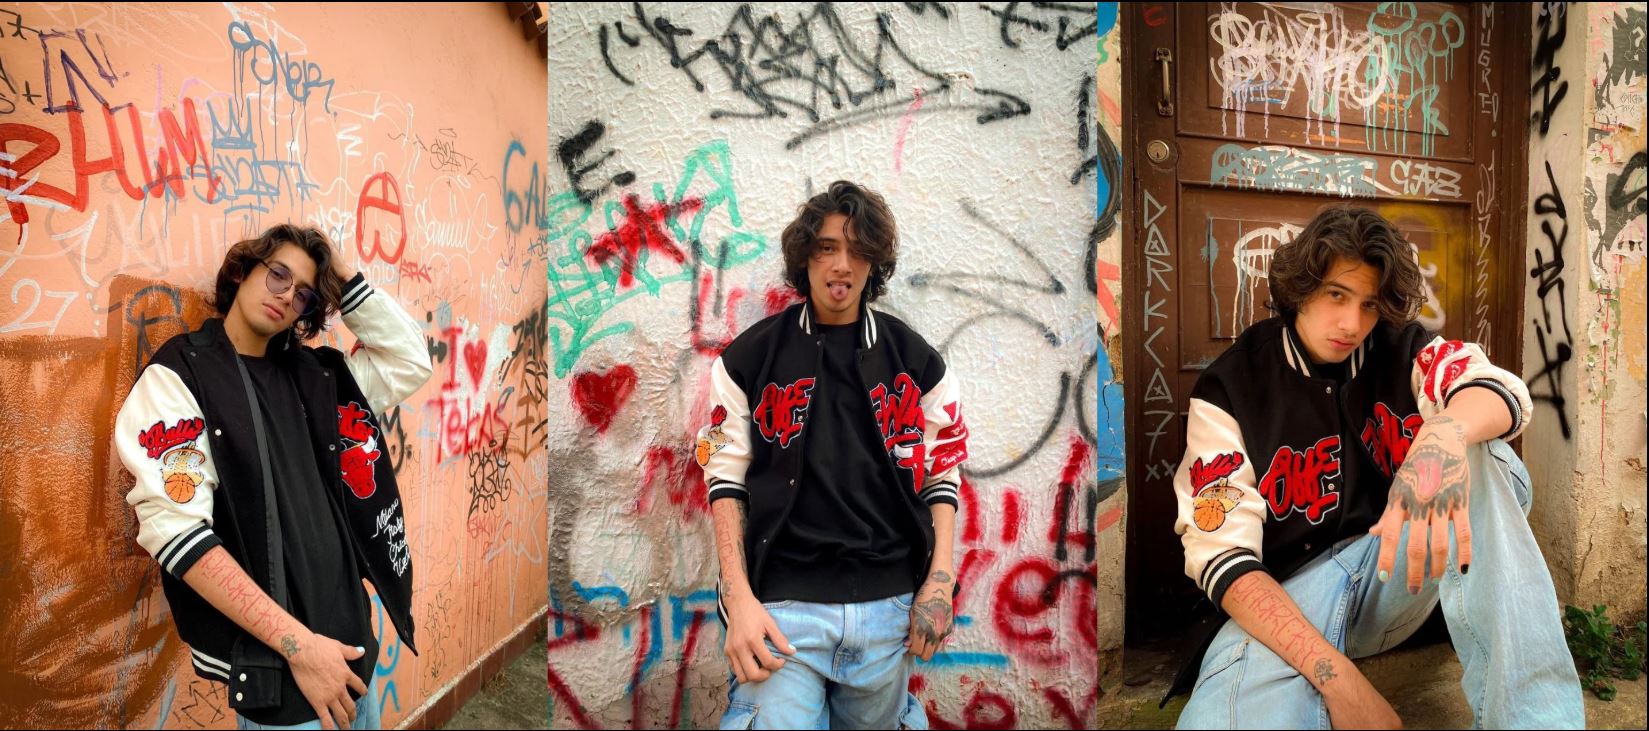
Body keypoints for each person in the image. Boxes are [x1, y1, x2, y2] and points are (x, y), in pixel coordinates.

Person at [1167, 206, 1584, 728]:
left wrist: (1441, 437)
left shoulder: (1400, 348)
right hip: (1290, 599)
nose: (1352, 324)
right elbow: (1222, 558)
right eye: (1336, 295)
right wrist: (1338, 679)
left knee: (1476, 455)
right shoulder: (1231, 389)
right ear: (1299, 289)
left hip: (1395, 572)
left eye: (1369, 304)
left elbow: (1499, 390)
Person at [115, 224, 432, 730]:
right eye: (278, 275)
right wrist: (300, 648)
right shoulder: (180, 375)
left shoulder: (318, 377)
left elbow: (411, 361)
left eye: (304, 293)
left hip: (354, 654)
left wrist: (340, 273)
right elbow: (178, 536)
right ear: (241, 272)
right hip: (286, 675)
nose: (287, 295)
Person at [694, 181, 969, 730]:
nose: (841, 264)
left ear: (874, 263)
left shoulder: (915, 361)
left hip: (889, 615)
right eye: (826, 247)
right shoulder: (748, 360)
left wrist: (939, 583)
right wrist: (739, 601)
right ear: (805, 258)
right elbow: (724, 482)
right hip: (781, 615)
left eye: (857, 249)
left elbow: (943, 473)